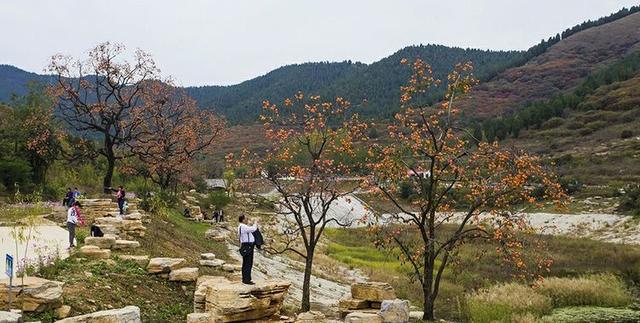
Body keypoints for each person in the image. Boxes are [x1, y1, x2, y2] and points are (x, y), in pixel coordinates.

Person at [238, 214, 259, 285]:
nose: (247, 220)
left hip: (246, 246)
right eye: (246, 219)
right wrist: (255, 222)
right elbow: (253, 229)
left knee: (246, 263)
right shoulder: (243, 226)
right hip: (248, 246)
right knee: (248, 263)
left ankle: (246, 279)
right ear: (243, 220)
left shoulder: (241, 226)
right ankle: (247, 280)